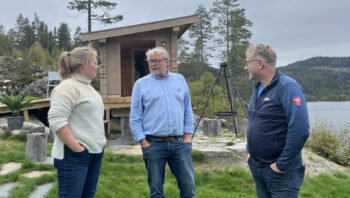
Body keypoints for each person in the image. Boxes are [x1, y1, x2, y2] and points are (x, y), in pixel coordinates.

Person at [244, 43, 309, 198]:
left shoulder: (288, 87)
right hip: (258, 166)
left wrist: (281, 165)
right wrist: (249, 151)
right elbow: (255, 122)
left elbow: (300, 130)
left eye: (247, 63)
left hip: (281, 173)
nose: (245, 67)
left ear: (260, 64)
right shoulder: (256, 88)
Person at [129, 47, 196, 198]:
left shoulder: (180, 80)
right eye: (150, 61)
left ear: (167, 61)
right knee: (156, 190)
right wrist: (143, 142)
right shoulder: (140, 84)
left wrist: (187, 137)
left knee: (188, 187)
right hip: (153, 144)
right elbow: (135, 116)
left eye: (156, 61)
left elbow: (187, 109)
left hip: (180, 144)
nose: (153, 64)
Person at [48, 46, 106, 198]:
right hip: (74, 156)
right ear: (84, 64)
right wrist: (77, 149)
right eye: (95, 62)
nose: (98, 66)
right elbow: (56, 120)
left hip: (95, 153)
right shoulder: (67, 87)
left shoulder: (89, 88)